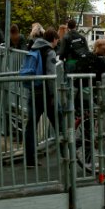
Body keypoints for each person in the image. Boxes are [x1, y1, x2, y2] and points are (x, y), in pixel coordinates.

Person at [24, 27, 63, 167]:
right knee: (60, 123)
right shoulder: (50, 52)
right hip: (46, 94)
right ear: (53, 39)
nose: (58, 42)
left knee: (31, 126)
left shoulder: (33, 48)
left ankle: (30, 160)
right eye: (57, 40)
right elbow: (51, 76)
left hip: (33, 91)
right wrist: (53, 95)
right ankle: (67, 156)